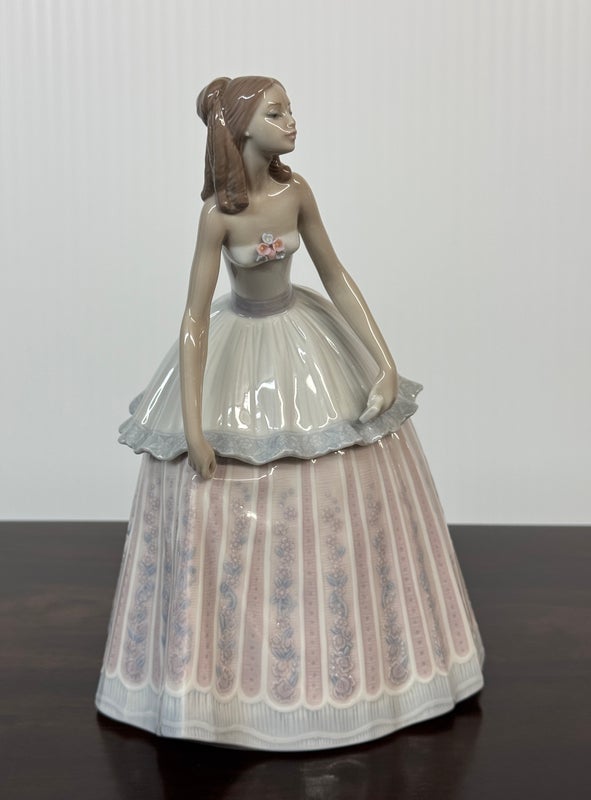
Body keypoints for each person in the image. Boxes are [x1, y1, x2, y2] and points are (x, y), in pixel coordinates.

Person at [96, 76, 484, 750]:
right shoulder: (218, 216)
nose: (292, 122)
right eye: (276, 113)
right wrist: (193, 422)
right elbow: (195, 318)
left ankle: (366, 666)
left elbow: (335, 273)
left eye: (291, 110)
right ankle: (227, 686)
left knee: (338, 470)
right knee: (225, 487)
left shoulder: (297, 193)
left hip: (305, 336)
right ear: (243, 128)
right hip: (242, 344)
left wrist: (383, 360)